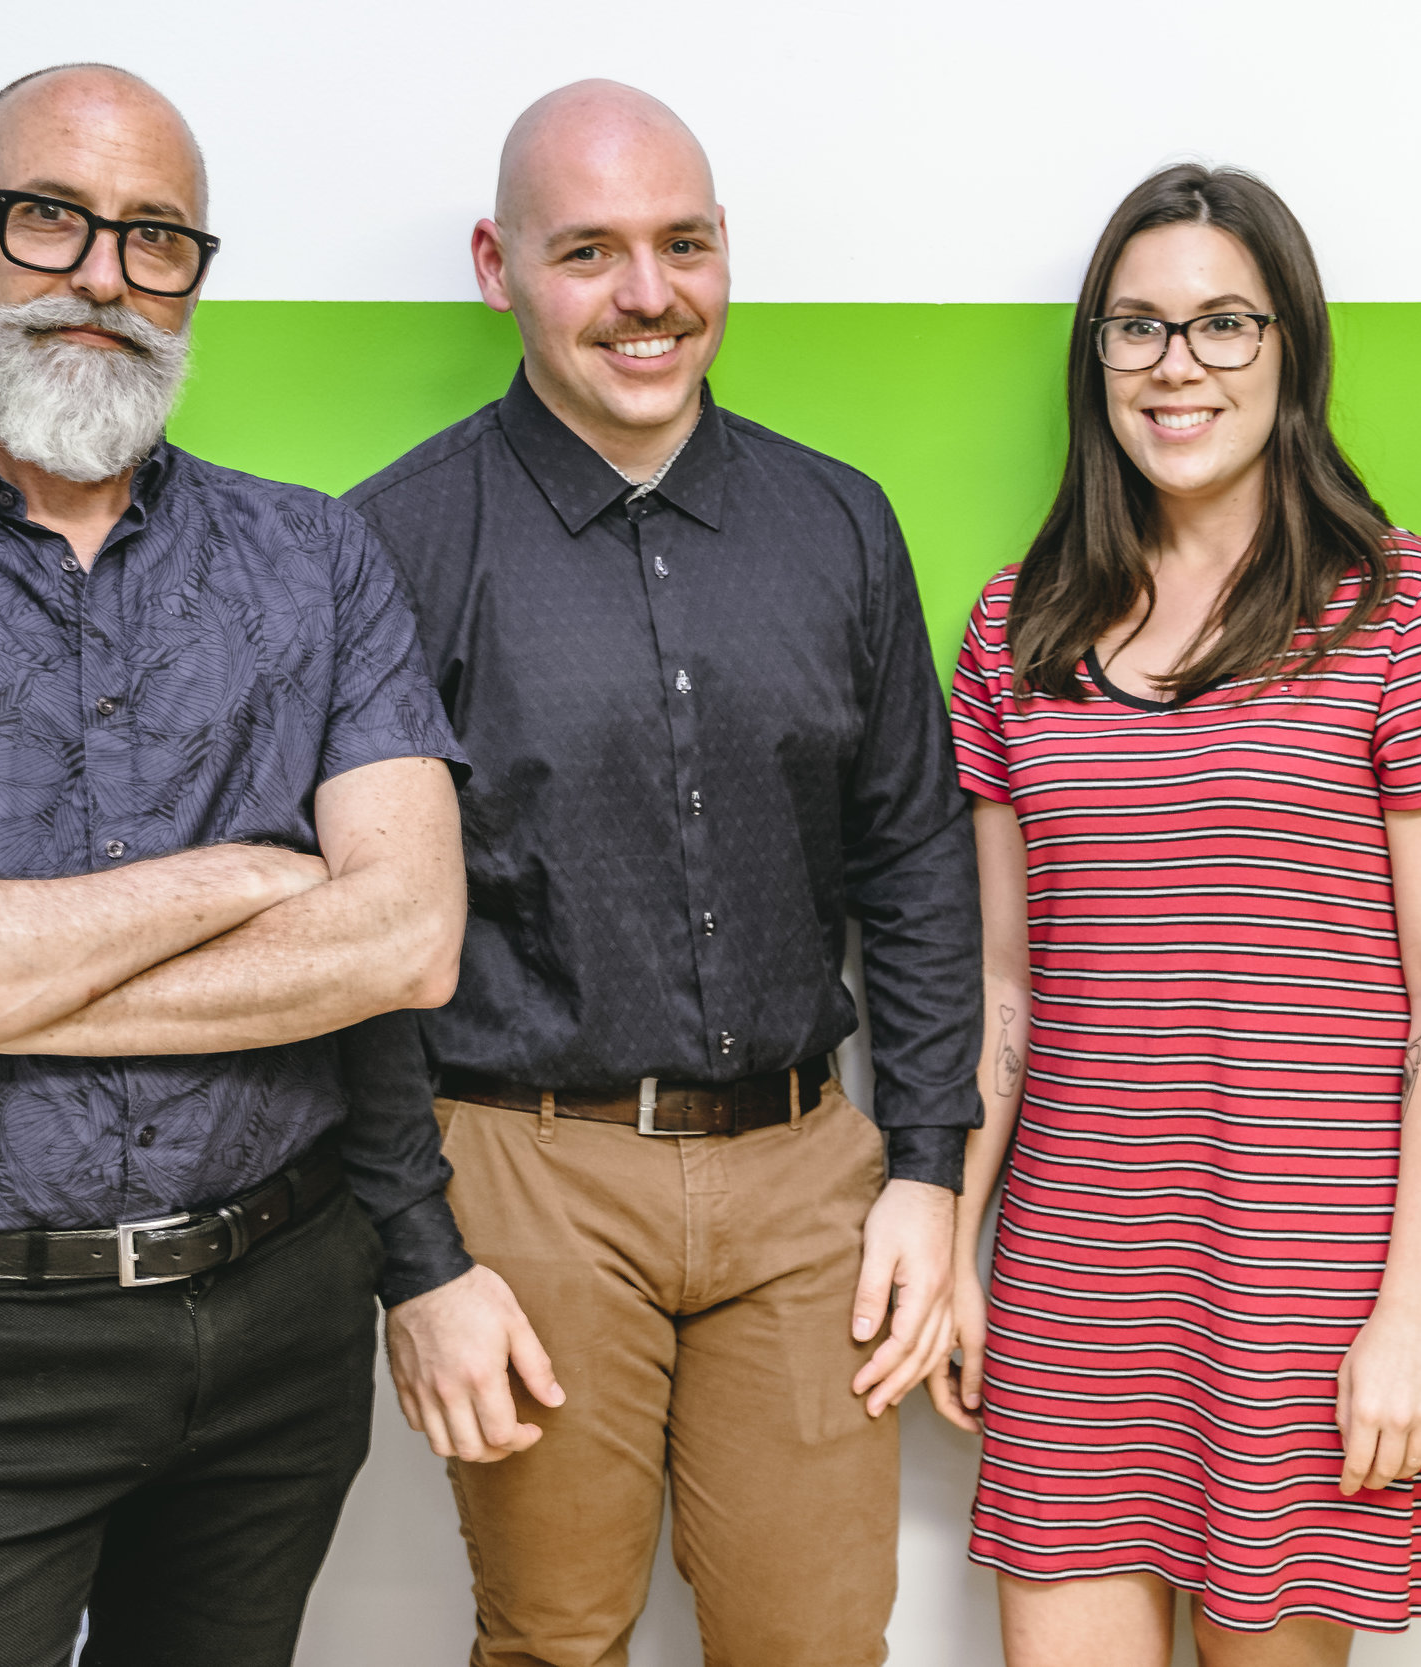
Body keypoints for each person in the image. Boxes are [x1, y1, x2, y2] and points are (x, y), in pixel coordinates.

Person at [0, 63, 488, 1667]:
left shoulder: (317, 559)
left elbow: (405, 939)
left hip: (280, 1321)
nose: (104, 277)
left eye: (155, 236)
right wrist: (247, 876)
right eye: (50, 218)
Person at [338, 80, 982, 1666]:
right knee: (554, 1642)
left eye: (683, 244)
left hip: (805, 1176)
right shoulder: (391, 546)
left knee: (817, 1644)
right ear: (497, 266)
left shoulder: (840, 524)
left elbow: (911, 858)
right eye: (590, 252)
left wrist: (927, 1166)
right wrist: (418, 1257)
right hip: (525, 1170)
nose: (648, 295)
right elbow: (352, 932)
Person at [933, 164, 1421, 1667]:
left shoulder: (1410, 609)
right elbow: (1000, 987)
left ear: (1291, 346)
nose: (1178, 365)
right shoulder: (1017, 626)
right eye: (1137, 327)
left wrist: (1416, 1310)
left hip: (1311, 1284)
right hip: (1076, 1272)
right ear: (1097, 357)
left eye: (1223, 323)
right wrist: (953, 1243)